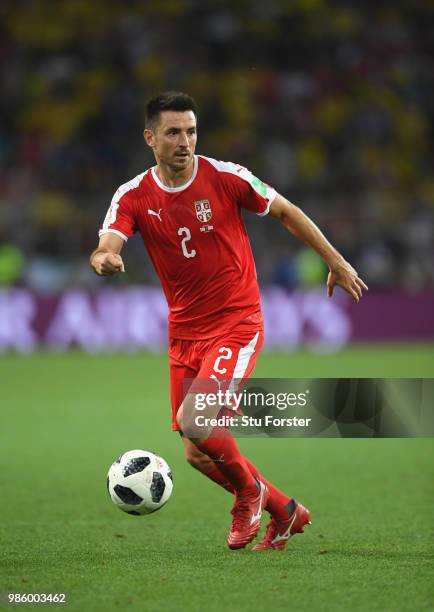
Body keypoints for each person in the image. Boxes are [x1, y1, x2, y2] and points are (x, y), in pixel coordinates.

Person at [90, 91, 368, 551]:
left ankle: (248, 494)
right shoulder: (133, 195)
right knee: (196, 452)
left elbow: (286, 212)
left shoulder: (225, 177)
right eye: (173, 132)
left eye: (191, 131)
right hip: (184, 333)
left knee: (196, 419)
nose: (185, 141)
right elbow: (107, 243)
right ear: (150, 138)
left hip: (236, 322)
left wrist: (335, 261)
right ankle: (285, 511)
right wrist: (105, 260)